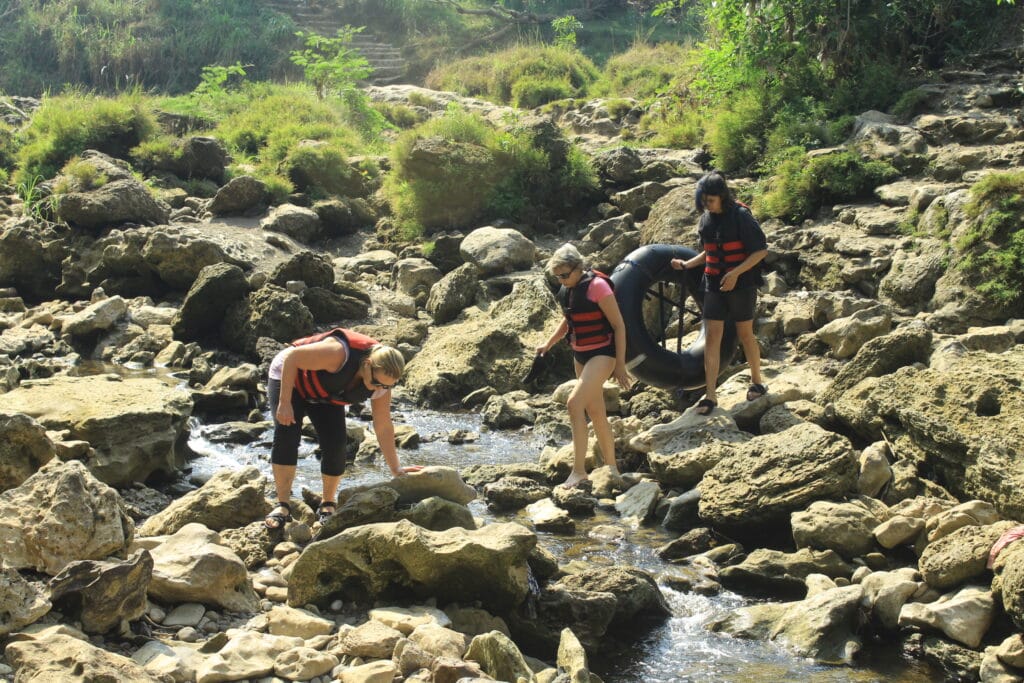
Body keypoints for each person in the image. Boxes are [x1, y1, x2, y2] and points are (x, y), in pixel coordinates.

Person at [264, 327, 422, 529]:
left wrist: (396, 469)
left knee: (337, 443)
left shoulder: (381, 383)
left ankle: (327, 504)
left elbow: (383, 425)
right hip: (290, 377)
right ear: (367, 364)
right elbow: (293, 358)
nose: (378, 389)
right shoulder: (338, 354)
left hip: (326, 391)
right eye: (376, 382)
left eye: (387, 386)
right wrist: (284, 402)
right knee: (287, 434)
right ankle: (283, 506)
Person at [671, 171, 769, 416]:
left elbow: (760, 252)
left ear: (722, 196)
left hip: (742, 285)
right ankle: (710, 394)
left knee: (745, 334)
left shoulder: (741, 216)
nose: (708, 206)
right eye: (704, 202)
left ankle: (756, 381)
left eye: (711, 201)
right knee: (712, 338)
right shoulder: (706, 219)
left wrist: (736, 273)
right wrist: (686, 265)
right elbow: (709, 252)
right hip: (713, 285)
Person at [536, 244, 633, 488]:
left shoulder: (597, 287)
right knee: (596, 411)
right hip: (580, 354)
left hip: (602, 354)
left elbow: (619, 326)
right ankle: (612, 467)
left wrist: (619, 365)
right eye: (557, 276)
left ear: (579, 268)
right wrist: (548, 343)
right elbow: (569, 320)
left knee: (573, 404)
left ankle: (578, 471)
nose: (561, 280)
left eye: (565, 275)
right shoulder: (569, 288)